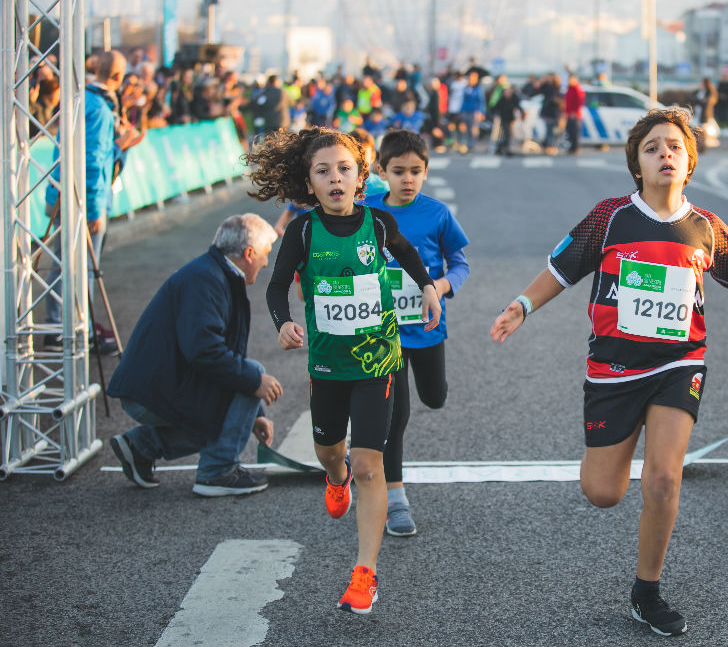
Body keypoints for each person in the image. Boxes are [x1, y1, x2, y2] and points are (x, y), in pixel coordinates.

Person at [490, 109, 728, 637]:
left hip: (680, 363)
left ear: (689, 162)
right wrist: (522, 305)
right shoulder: (609, 217)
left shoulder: (707, 228)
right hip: (613, 368)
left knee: (664, 478)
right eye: (652, 147)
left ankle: (646, 591)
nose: (665, 154)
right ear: (637, 164)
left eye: (674, 146)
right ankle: (615, 456)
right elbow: (561, 270)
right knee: (603, 492)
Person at [255, 127, 441, 613]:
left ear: (360, 177)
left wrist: (427, 287)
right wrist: (284, 322)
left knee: (368, 464)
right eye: (323, 171)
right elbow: (276, 288)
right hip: (328, 364)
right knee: (329, 452)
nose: (335, 178)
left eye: (344, 168)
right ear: (310, 183)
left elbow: (407, 254)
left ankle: (366, 574)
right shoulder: (301, 231)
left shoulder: (377, 224)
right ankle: (333, 478)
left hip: (378, 360)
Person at [108, 214, 282, 496]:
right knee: (254, 372)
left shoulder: (213, 274)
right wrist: (255, 383)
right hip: (153, 390)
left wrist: (253, 415)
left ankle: (141, 446)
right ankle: (217, 472)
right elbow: (205, 352)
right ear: (249, 254)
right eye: (265, 255)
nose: (265, 262)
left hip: (161, 383)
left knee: (245, 381)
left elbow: (222, 354)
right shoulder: (207, 281)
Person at [361, 130, 470, 536]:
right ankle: (396, 499)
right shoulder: (366, 211)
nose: (408, 180)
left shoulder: (437, 213)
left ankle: (433, 390)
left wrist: (439, 287)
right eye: (399, 171)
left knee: (434, 397)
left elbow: (460, 263)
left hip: (426, 328)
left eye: (416, 172)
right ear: (381, 172)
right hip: (381, 331)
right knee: (396, 414)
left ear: (426, 172)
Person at [42, 50, 142, 353]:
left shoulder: (82, 98)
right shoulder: (98, 107)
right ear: (116, 77)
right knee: (80, 266)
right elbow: (93, 160)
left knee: (64, 262)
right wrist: (95, 208)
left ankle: (59, 326)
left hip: (65, 193)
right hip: (82, 199)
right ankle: (72, 330)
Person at [492, 83, 523, 156]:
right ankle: (506, 149)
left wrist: (522, 113)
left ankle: (499, 147)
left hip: (510, 118)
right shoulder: (502, 99)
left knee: (506, 135)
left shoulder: (514, 98)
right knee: (506, 134)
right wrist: (494, 114)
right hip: (503, 118)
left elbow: (517, 106)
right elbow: (496, 108)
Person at [539, 73, 562, 155]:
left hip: (555, 113)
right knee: (549, 131)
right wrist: (542, 81)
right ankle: (549, 146)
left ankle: (553, 146)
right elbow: (538, 91)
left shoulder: (557, 87)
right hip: (548, 112)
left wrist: (557, 101)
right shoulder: (546, 87)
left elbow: (561, 99)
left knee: (555, 131)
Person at [563, 74, 585, 154]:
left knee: (575, 132)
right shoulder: (569, 88)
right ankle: (571, 147)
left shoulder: (577, 89)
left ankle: (575, 148)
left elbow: (580, 101)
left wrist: (575, 112)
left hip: (575, 115)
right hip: (569, 114)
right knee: (570, 132)